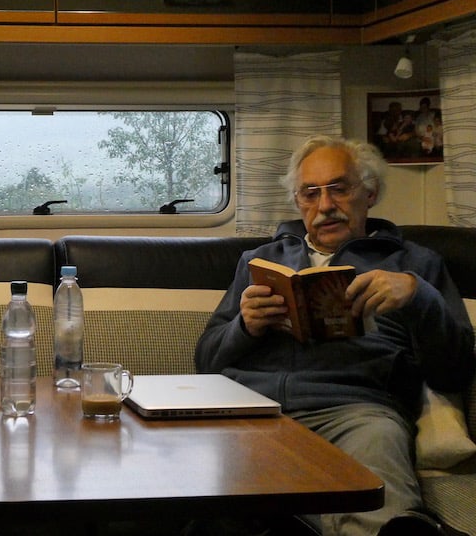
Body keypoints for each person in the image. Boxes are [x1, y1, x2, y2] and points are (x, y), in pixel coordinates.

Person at [194, 136, 474, 536]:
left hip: (357, 412)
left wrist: (418, 297)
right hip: (256, 413)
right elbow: (206, 360)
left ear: (369, 193)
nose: (325, 206)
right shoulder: (259, 261)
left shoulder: (415, 263)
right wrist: (245, 327)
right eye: (310, 193)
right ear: (298, 202)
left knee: (377, 499)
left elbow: (454, 371)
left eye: (339, 189)